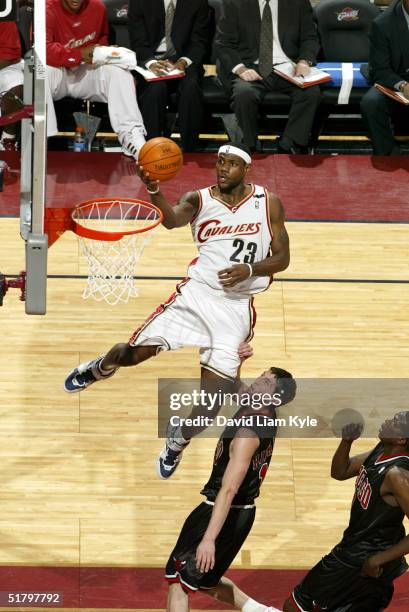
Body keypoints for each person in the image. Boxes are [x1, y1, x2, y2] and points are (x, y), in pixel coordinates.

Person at [64, 142, 290, 479]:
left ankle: (176, 441)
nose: (222, 168)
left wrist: (251, 269)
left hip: (234, 308)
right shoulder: (199, 199)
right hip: (196, 297)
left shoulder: (267, 201)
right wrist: (154, 189)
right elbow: (170, 220)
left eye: (230, 163)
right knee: (131, 354)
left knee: (212, 403)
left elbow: (283, 259)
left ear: (246, 169)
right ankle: (100, 367)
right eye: (219, 162)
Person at [166, 348, 296, 612]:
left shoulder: (248, 432)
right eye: (261, 375)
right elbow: (235, 387)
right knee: (205, 581)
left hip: (224, 510)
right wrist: (239, 362)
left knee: (179, 579)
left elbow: (229, 489)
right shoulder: (259, 407)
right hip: (239, 511)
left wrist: (209, 539)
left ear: (275, 397)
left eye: (266, 382)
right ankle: (261, 611)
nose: (258, 381)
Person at [283, 412, 409, 611]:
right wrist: (346, 442)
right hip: (359, 549)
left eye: (395, 422)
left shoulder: (397, 475)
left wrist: (377, 559)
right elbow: (340, 472)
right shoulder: (380, 451)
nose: (386, 420)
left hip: (362, 557)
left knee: (295, 605)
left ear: (402, 438)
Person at [215, 0, 321, 153]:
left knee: (311, 92)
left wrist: (304, 61)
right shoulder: (234, 3)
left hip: (288, 66)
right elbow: (223, 43)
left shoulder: (298, 3)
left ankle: (290, 143)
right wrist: (241, 69)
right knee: (244, 93)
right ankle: (249, 143)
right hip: (251, 66)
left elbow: (309, 37)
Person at [45, 0, 146, 156]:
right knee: (39, 73)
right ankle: (43, 137)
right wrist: (78, 55)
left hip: (86, 69)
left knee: (119, 73)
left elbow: (102, 37)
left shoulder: (97, 7)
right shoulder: (47, 7)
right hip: (58, 71)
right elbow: (43, 49)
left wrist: (104, 52)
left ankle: (132, 137)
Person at [128, 0, 211, 151]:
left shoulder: (198, 2)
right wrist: (151, 62)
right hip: (150, 59)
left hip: (184, 59)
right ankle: (151, 148)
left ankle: (190, 148)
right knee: (155, 89)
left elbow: (199, 42)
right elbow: (138, 42)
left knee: (190, 86)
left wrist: (183, 61)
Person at [360, 0, 409, 156]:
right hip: (396, 79)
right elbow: (380, 70)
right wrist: (402, 85)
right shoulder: (383, 24)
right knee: (371, 103)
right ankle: (387, 155)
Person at [0, 22, 24, 151]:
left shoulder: (4, 14)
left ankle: (7, 140)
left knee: (16, 84)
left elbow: (7, 55)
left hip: (5, 66)